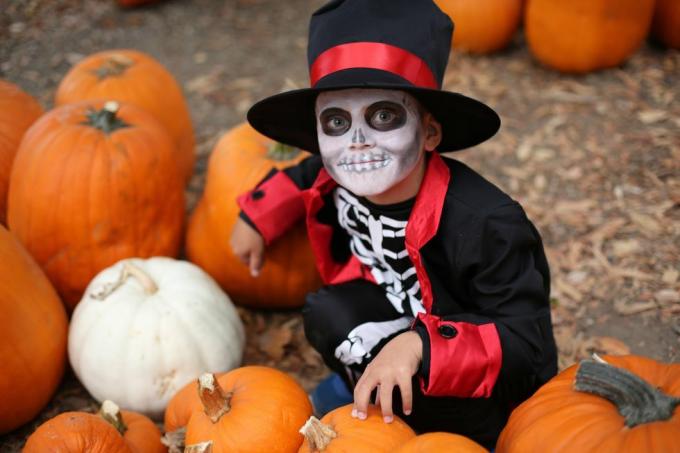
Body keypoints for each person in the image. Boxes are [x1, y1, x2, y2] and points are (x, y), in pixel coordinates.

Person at [230, 0, 557, 448]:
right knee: (329, 314)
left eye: (383, 116)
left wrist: (421, 345)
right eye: (337, 122)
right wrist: (257, 214)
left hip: (473, 374)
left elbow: (526, 341)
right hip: (394, 312)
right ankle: (368, 393)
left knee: (441, 405)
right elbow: (306, 175)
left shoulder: (485, 224)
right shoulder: (340, 170)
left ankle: (437, 432)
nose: (358, 142)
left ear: (429, 133)